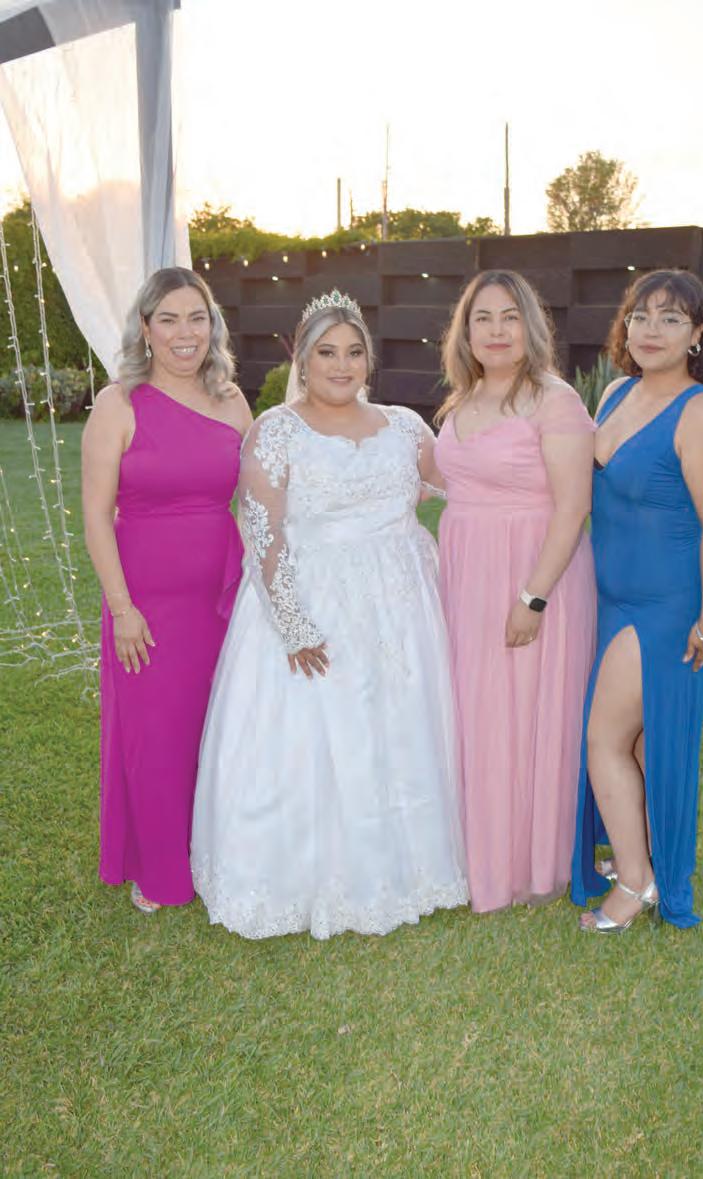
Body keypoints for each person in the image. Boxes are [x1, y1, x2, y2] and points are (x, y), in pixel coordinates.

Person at [190, 290, 468, 939]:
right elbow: (264, 531)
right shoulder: (275, 430)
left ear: (369, 359)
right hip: (313, 601)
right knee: (318, 733)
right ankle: (310, 874)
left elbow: (459, 485)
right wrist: (293, 624)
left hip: (401, 605)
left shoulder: (405, 426)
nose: (342, 366)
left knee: (401, 728)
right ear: (304, 361)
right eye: (327, 353)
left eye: (353, 352)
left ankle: (409, 864)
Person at [571, 268, 703, 932]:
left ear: (697, 334)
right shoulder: (616, 392)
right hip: (610, 597)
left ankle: (635, 883)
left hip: (665, 608)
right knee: (641, 743)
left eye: (671, 319)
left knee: (605, 738)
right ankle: (641, 856)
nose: (651, 330)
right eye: (641, 316)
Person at [82, 267, 252, 914]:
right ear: (146, 328)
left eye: (197, 318)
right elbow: (96, 515)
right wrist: (122, 608)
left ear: (213, 326)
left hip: (221, 598)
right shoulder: (118, 404)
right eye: (170, 319)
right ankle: (157, 868)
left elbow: (259, 498)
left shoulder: (232, 401)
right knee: (154, 736)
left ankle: (214, 851)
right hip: (145, 605)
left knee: (217, 726)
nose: (186, 333)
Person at [434, 270, 596, 912]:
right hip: (466, 575)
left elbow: (573, 507)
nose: (496, 331)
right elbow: (448, 483)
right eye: (483, 318)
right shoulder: (460, 401)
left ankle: (530, 863)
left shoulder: (554, 401)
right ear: (465, 331)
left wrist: (533, 597)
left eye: (509, 317)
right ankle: (477, 852)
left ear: (530, 326)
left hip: (535, 574)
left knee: (527, 711)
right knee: (476, 711)